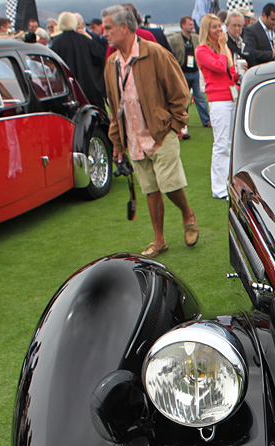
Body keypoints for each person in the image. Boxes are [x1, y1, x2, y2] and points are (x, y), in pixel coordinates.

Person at [102, 5, 197, 258]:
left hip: (161, 132)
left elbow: (179, 93)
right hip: (133, 137)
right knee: (150, 190)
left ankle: (187, 213)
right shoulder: (111, 63)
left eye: (108, 28)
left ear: (125, 28)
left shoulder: (155, 53)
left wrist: (176, 125)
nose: (105, 33)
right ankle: (159, 240)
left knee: (168, 184)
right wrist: (117, 144)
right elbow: (114, 107)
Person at [197, 13, 241, 200]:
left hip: (232, 97)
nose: (219, 29)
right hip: (219, 101)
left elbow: (230, 72)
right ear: (207, 29)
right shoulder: (202, 51)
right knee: (222, 144)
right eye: (214, 26)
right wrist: (223, 47)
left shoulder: (223, 49)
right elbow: (219, 67)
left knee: (232, 143)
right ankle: (218, 187)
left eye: (219, 25)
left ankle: (229, 182)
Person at [51, 12, 107, 112]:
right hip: (89, 87)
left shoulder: (57, 43)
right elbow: (100, 57)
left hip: (70, 90)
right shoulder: (85, 40)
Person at [168, 15, 210, 135]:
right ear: (183, 25)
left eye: (192, 24)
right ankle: (183, 122)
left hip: (196, 72)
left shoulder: (196, 38)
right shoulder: (174, 40)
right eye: (190, 24)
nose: (192, 26)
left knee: (200, 97)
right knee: (183, 99)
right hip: (183, 72)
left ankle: (206, 121)